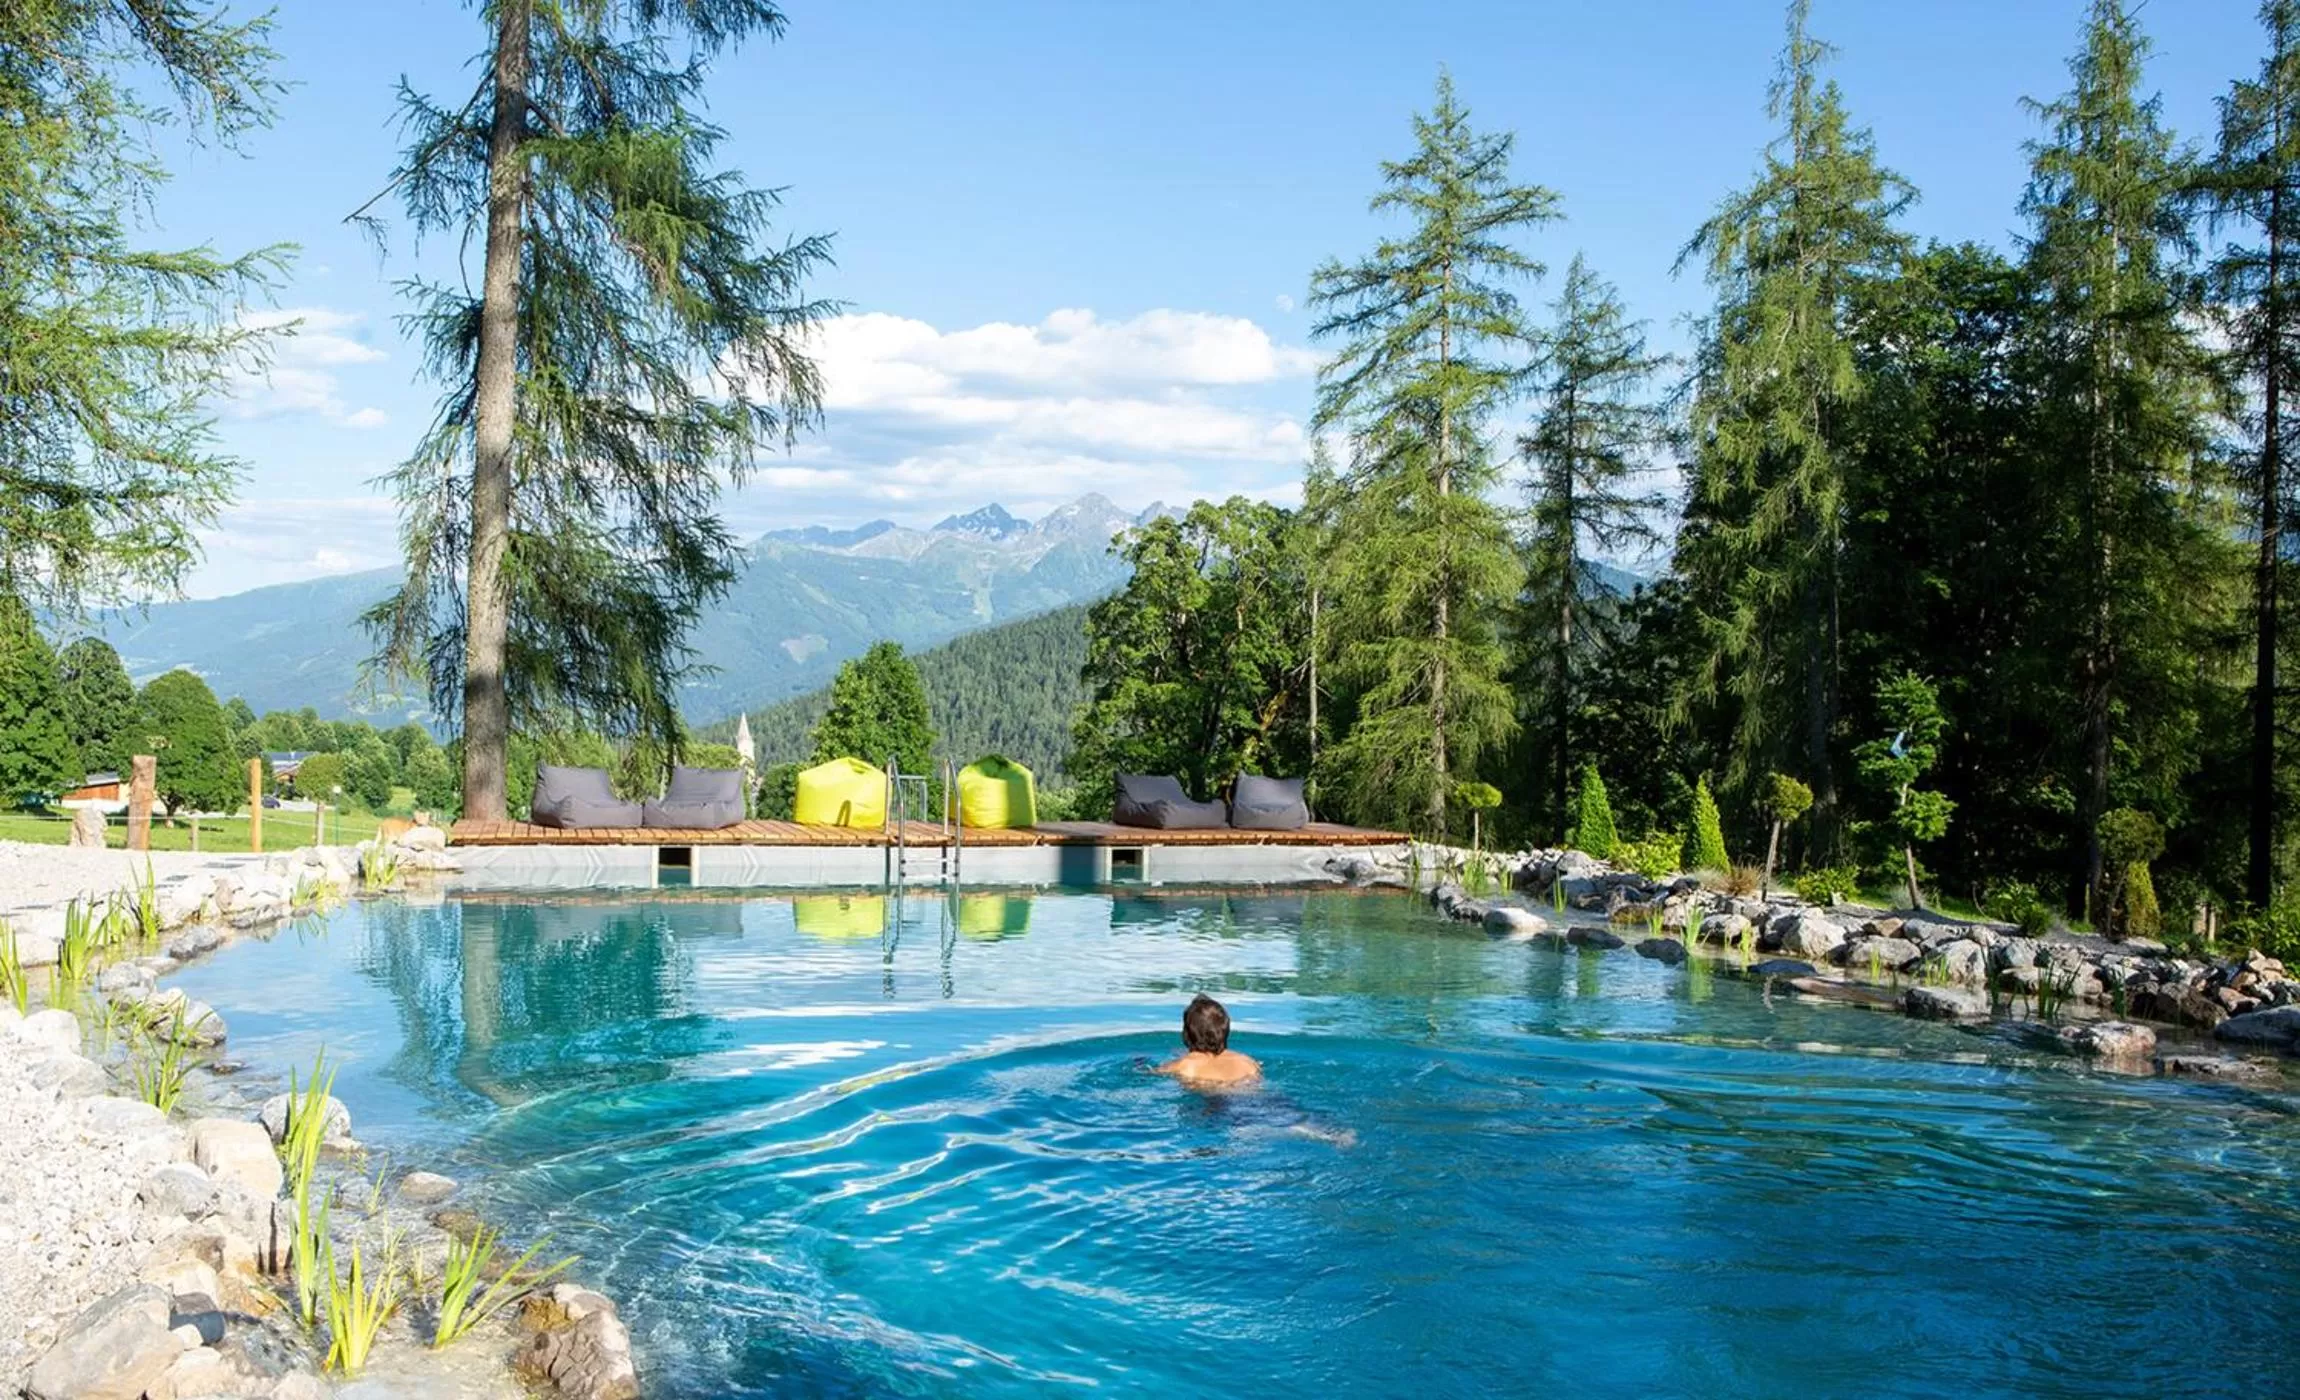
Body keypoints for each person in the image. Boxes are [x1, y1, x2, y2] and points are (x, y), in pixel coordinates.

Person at [1157, 993, 1262, 1088]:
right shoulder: (1247, 1063)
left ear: (1186, 1034)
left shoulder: (1184, 1065)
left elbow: (1151, 1073)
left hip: (1208, 1098)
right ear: (1226, 1031)